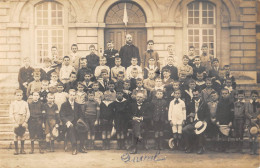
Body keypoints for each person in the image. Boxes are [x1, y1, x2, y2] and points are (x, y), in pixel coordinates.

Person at [182, 89, 210, 154]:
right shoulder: (190, 103)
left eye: (197, 95)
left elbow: (208, 115)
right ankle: (189, 147)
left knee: (200, 130)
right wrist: (189, 115)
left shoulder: (204, 104)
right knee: (184, 130)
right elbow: (186, 114)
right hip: (192, 123)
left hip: (201, 122)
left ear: (200, 94)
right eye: (194, 95)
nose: (195, 96)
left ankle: (200, 147)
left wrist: (204, 122)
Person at [60, 89, 86, 155]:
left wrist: (79, 121)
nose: (72, 96)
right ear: (68, 95)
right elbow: (62, 115)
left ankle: (81, 146)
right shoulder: (64, 105)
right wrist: (67, 122)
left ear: (75, 96)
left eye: (73, 95)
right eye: (71, 95)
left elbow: (81, 115)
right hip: (68, 123)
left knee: (82, 127)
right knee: (71, 128)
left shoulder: (78, 105)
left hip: (76, 122)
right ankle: (74, 148)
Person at [9, 89, 30, 155]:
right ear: (15, 96)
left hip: (23, 119)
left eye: (20, 95)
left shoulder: (25, 103)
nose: (19, 96)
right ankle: (16, 150)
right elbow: (10, 113)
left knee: (23, 134)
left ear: (22, 96)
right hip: (16, 119)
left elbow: (28, 113)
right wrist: (14, 122)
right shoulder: (13, 103)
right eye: (17, 95)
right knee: (15, 134)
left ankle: (22, 149)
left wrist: (25, 121)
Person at [245, 90, 260, 155]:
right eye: (253, 96)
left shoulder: (259, 103)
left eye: (255, 96)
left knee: (256, 136)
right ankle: (251, 150)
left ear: (257, 96)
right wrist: (251, 118)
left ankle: (255, 150)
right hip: (249, 121)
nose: (254, 97)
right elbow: (246, 112)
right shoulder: (247, 103)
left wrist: (257, 118)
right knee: (250, 136)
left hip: (257, 121)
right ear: (250, 96)